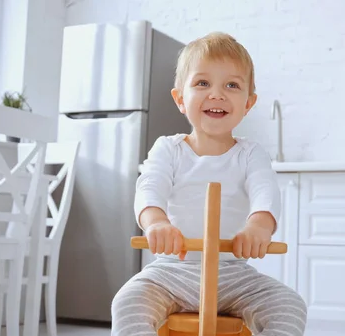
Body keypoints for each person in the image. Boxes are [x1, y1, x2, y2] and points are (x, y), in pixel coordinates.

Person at [111, 31, 307, 336]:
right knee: (127, 302)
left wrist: (259, 227)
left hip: (234, 275)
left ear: (248, 103)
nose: (217, 94)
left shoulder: (251, 154)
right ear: (180, 99)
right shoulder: (168, 149)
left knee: (290, 305)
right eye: (202, 83)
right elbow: (150, 188)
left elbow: (265, 192)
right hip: (171, 271)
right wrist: (156, 223)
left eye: (232, 85)